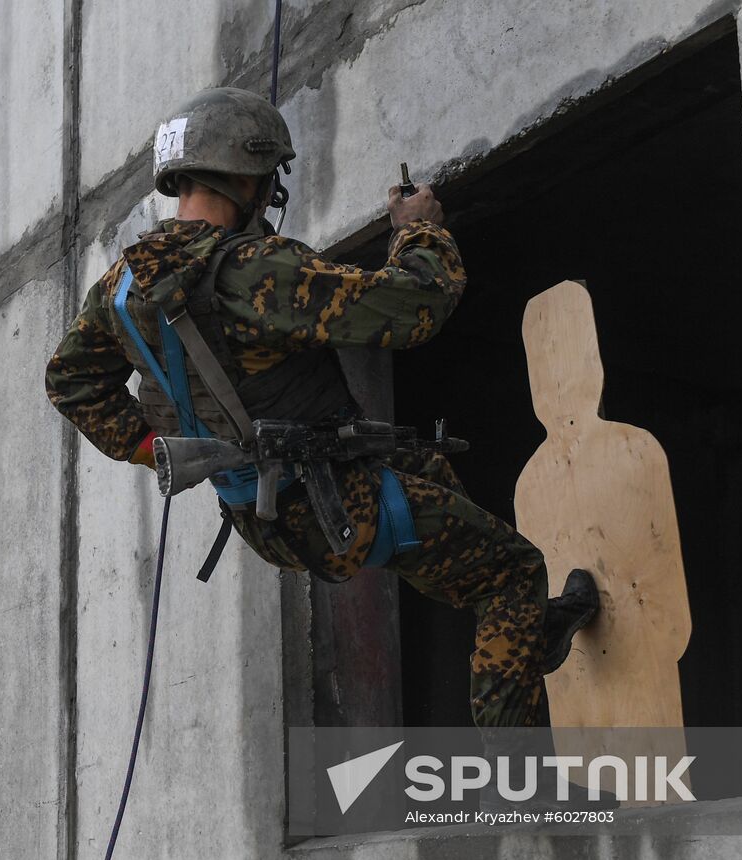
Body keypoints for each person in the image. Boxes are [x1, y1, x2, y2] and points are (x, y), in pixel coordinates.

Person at [45, 86, 598, 736]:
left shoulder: (122, 287)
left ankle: (533, 631)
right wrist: (416, 227)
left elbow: (72, 383)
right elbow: (416, 304)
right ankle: (521, 788)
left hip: (260, 513)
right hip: (336, 507)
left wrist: (157, 449)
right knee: (511, 570)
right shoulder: (255, 271)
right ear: (249, 179)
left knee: (427, 470)